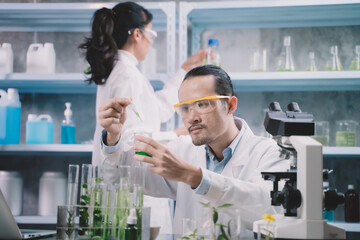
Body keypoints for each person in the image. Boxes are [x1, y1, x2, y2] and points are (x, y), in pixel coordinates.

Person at [98, 65, 289, 238]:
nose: (191, 118)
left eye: (202, 105)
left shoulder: (268, 152)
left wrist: (196, 177)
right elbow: (124, 175)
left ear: (230, 105)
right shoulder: (182, 150)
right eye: (185, 108)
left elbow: (271, 209)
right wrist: (113, 137)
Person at [79, 2, 206, 235]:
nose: (152, 40)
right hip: (131, 195)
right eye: (151, 33)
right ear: (137, 34)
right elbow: (129, 141)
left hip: (123, 189)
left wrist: (183, 71)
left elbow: (154, 109)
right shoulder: (128, 75)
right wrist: (174, 136)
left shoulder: (121, 70)